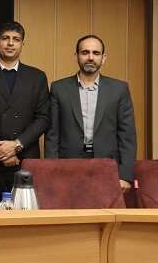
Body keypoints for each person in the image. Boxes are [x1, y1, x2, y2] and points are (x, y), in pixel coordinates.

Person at [0, 22, 49, 209]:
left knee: (24, 219)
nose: (10, 43)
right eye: (5, 38)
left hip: (24, 160)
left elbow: (43, 117)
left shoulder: (37, 77)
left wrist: (17, 145)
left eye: (16, 39)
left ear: (22, 44)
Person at [45, 35, 136, 192]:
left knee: (104, 208)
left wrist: (125, 176)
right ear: (76, 56)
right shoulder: (59, 88)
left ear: (103, 58)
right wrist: (52, 171)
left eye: (96, 53)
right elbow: (52, 135)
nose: (90, 57)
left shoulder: (119, 89)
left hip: (108, 166)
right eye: (85, 52)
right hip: (68, 166)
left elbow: (127, 136)